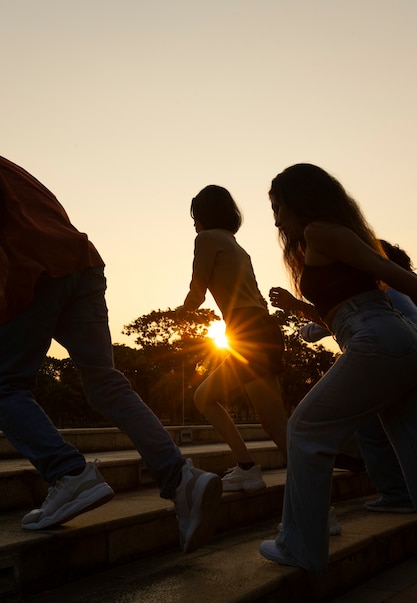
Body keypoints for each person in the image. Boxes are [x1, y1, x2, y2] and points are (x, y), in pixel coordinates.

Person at [0, 155, 222, 554]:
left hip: (34, 268)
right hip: (80, 261)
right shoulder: (9, 166)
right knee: (105, 382)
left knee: (5, 384)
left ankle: (67, 474)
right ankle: (181, 478)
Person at [259, 163, 417, 572]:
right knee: (411, 446)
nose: (275, 217)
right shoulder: (323, 239)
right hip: (384, 338)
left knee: (305, 428)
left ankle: (301, 546)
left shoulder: (320, 231)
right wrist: (297, 308)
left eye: (277, 205)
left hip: (377, 338)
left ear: (300, 200)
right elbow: (342, 312)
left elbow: (394, 277)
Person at [177, 185, 287, 492]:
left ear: (204, 215)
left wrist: (181, 312)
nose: (194, 223)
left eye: (195, 216)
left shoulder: (206, 239)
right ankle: (247, 466)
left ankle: (319, 506)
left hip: (248, 330)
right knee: (207, 397)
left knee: (276, 425)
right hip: (260, 327)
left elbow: (197, 291)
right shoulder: (239, 247)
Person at [294, 239, 417, 513]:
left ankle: (396, 494)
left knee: (360, 427)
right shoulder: (401, 288)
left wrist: (298, 314)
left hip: (389, 355)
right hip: (409, 353)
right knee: (404, 432)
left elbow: (322, 327)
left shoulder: (377, 289)